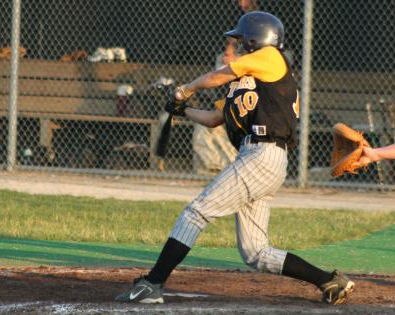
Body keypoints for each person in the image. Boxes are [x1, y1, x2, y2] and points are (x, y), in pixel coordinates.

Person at [115, 11, 354, 305]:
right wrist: (182, 111)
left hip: (262, 154)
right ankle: (329, 281)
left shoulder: (270, 57)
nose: (239, 46)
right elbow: (216, 118)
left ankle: (153, 283)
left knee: (196, 212)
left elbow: (216, 76)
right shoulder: (251, 80)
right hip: (262, 159)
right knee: (256, 252)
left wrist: (183, 91)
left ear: (257, 39)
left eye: (242, 40)